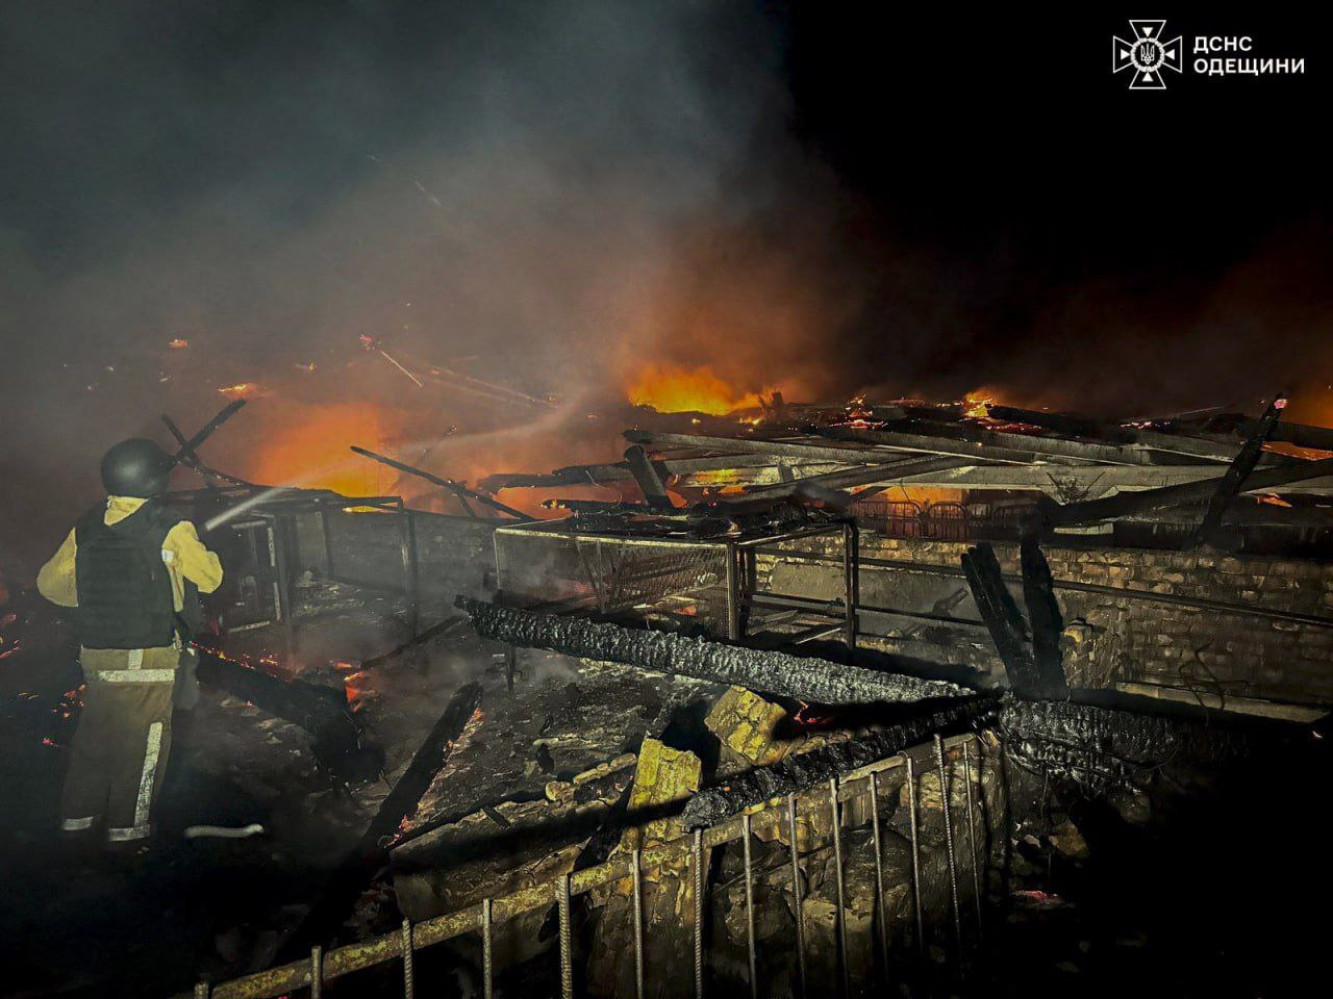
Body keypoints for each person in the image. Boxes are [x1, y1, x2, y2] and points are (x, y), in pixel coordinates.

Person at [36, 438, 223, 847]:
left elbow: (50, 585)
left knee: (96, 735)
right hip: (148, 653)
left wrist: (96, 600)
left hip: (96, 654)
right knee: (145, 742)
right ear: (155, 481)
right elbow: (210, 578)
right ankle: (129, 831)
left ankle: (77, 818)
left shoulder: (86, 525)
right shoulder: (170, 525)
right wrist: (192, 550)